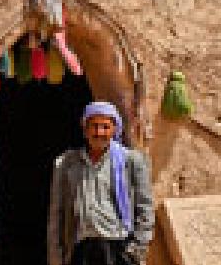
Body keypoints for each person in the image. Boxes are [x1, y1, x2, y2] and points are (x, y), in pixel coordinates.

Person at [48, 101, 154, 265]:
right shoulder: (66, 163)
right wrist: (56, 257)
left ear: (114, 130)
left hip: (119, 249)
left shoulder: (131, 161)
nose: (99, 132)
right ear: (85, 130)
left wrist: (135, 250)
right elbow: (57, 213)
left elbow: (145, 208)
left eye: (105, 126)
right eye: (94, 126)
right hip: (81, 251)